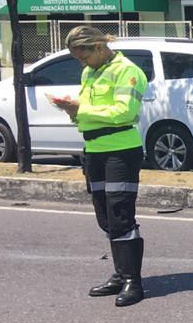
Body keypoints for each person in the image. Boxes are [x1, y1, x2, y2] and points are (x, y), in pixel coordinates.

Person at [49, 26, 150, 306]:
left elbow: (124, 112)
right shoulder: (90, 72)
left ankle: (133, 281)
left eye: (83, 56)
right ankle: (120, 274)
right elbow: (91, 113)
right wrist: (72, 108)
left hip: (121, 151)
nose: (82, 63)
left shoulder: (126, 71)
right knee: (105, 216)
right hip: (94, 150)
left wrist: (81, 109)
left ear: (98, 47)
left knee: (120, 214)